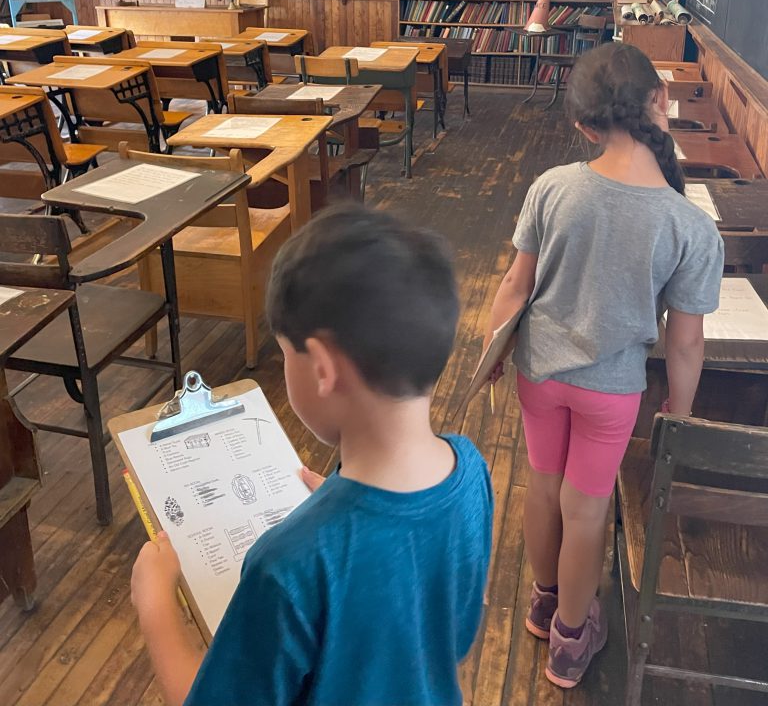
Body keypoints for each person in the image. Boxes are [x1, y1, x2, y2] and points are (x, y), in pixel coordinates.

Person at [131, 203, 493, 706]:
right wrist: (353, 510)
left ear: (322, 366)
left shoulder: (289, 562)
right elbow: (450, 627)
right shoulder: (472, 470)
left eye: (285, 354)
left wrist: (155, 606)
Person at [485, 42, 723, 689]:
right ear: (661, 101)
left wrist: (492, 352)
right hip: (611, 390)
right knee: (586, 510)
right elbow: (686, 340)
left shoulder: (551, 187)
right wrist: (682, 404)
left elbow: (514, 284)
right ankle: (569, 639)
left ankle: (541, 601)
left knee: (541, 485)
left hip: (539, 372)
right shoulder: (690, 227)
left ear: (584, 126)